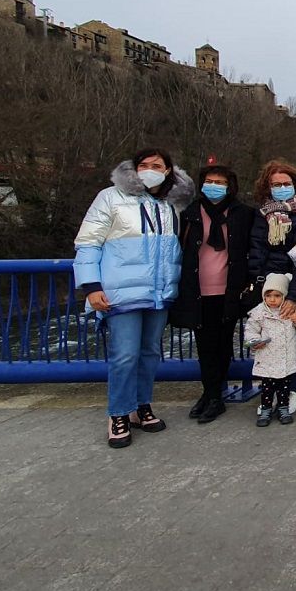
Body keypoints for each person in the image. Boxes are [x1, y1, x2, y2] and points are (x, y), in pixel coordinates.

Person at [74, 148, 194, 448]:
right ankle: (118, 413)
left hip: (160, 291)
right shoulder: (110, 197)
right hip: (121, 292)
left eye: (157, 165)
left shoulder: (172, 204)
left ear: (168, 171)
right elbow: (88, 242)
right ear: (134, 168)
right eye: (144, 165)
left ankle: (141, 406)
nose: (150, 170)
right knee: (124, 355)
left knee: (150, 352)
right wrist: (91, 286)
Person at [170, 164, 255, 425]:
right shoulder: (189, 213)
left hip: (229, 289)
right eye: (209, 181)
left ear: (230, 186)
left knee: (223, 343)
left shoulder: (243, 214)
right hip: (197, 289)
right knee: (204, 344)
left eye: (220, 182)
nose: (214, 186)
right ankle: (209, 393)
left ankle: (215, 396)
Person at [248, 160, 296, 410]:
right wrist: (259, 285)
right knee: (268, 343)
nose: (281, 188)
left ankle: (292, 391)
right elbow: (256, 251)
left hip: (295, 287)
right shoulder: (261, 215)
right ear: (267, 187)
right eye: (275, 184)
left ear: (295, 185)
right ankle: (271, 393)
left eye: (286, 183)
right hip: (268, 291)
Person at [246, 272, 296, 427]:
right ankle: (266, 409)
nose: (272, 299)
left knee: (284, 385)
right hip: (268, 356)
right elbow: (251, 329)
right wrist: (253, 341)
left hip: (286, 357)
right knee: (267, 387)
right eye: (268, 296)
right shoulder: (259, 312)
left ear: (284, 296)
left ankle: (283, 408)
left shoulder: (292, 310)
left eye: (277, 296)